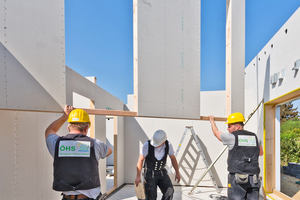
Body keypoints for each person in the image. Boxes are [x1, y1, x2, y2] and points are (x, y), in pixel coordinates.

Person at [45, 105, 112, 200]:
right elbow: (109, 151)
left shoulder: (57, 144)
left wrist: (65, 116)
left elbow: (50, 130)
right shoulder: (96, 144)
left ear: (68, 128)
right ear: (86, 128)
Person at [209, 112, 264, 200]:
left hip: (238, 179)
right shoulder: (256, 138)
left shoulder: (232, 137)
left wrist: (212, 121)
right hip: (253, 178)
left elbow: (216, 133)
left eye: (230, 126)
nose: (227, 129)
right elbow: (261, 153)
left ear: (237, 126)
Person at [135, 130, 181, 200]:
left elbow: (173, 159)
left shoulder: (168, 145)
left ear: (163, 142)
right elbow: (140, 160)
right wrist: (138, 176)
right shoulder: (147, 145)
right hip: (150, 174)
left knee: (169, 192)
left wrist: (177, 172)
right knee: (151, 197)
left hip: (162, 172)